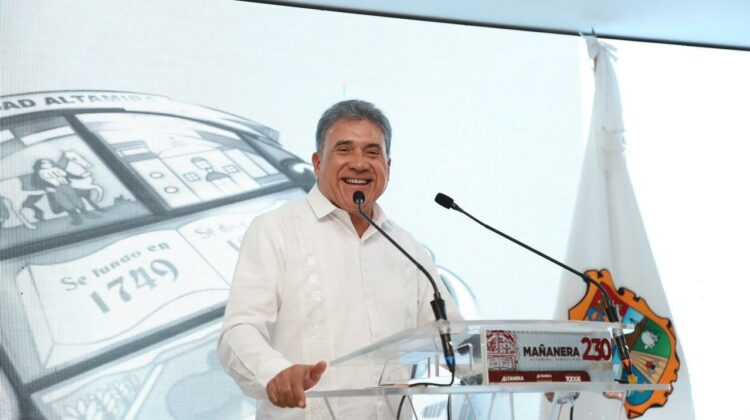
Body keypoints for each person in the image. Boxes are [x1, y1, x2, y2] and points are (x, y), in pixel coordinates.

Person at [217, 100, 460, 419]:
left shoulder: (405, 246)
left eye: (372, 153)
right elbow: (239, 331)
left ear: (388, 166)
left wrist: (517, 363)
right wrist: (275, 372)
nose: (359, 164)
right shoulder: (276, 230)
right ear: (318, 163)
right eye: (344, 150)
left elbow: (455, 338)